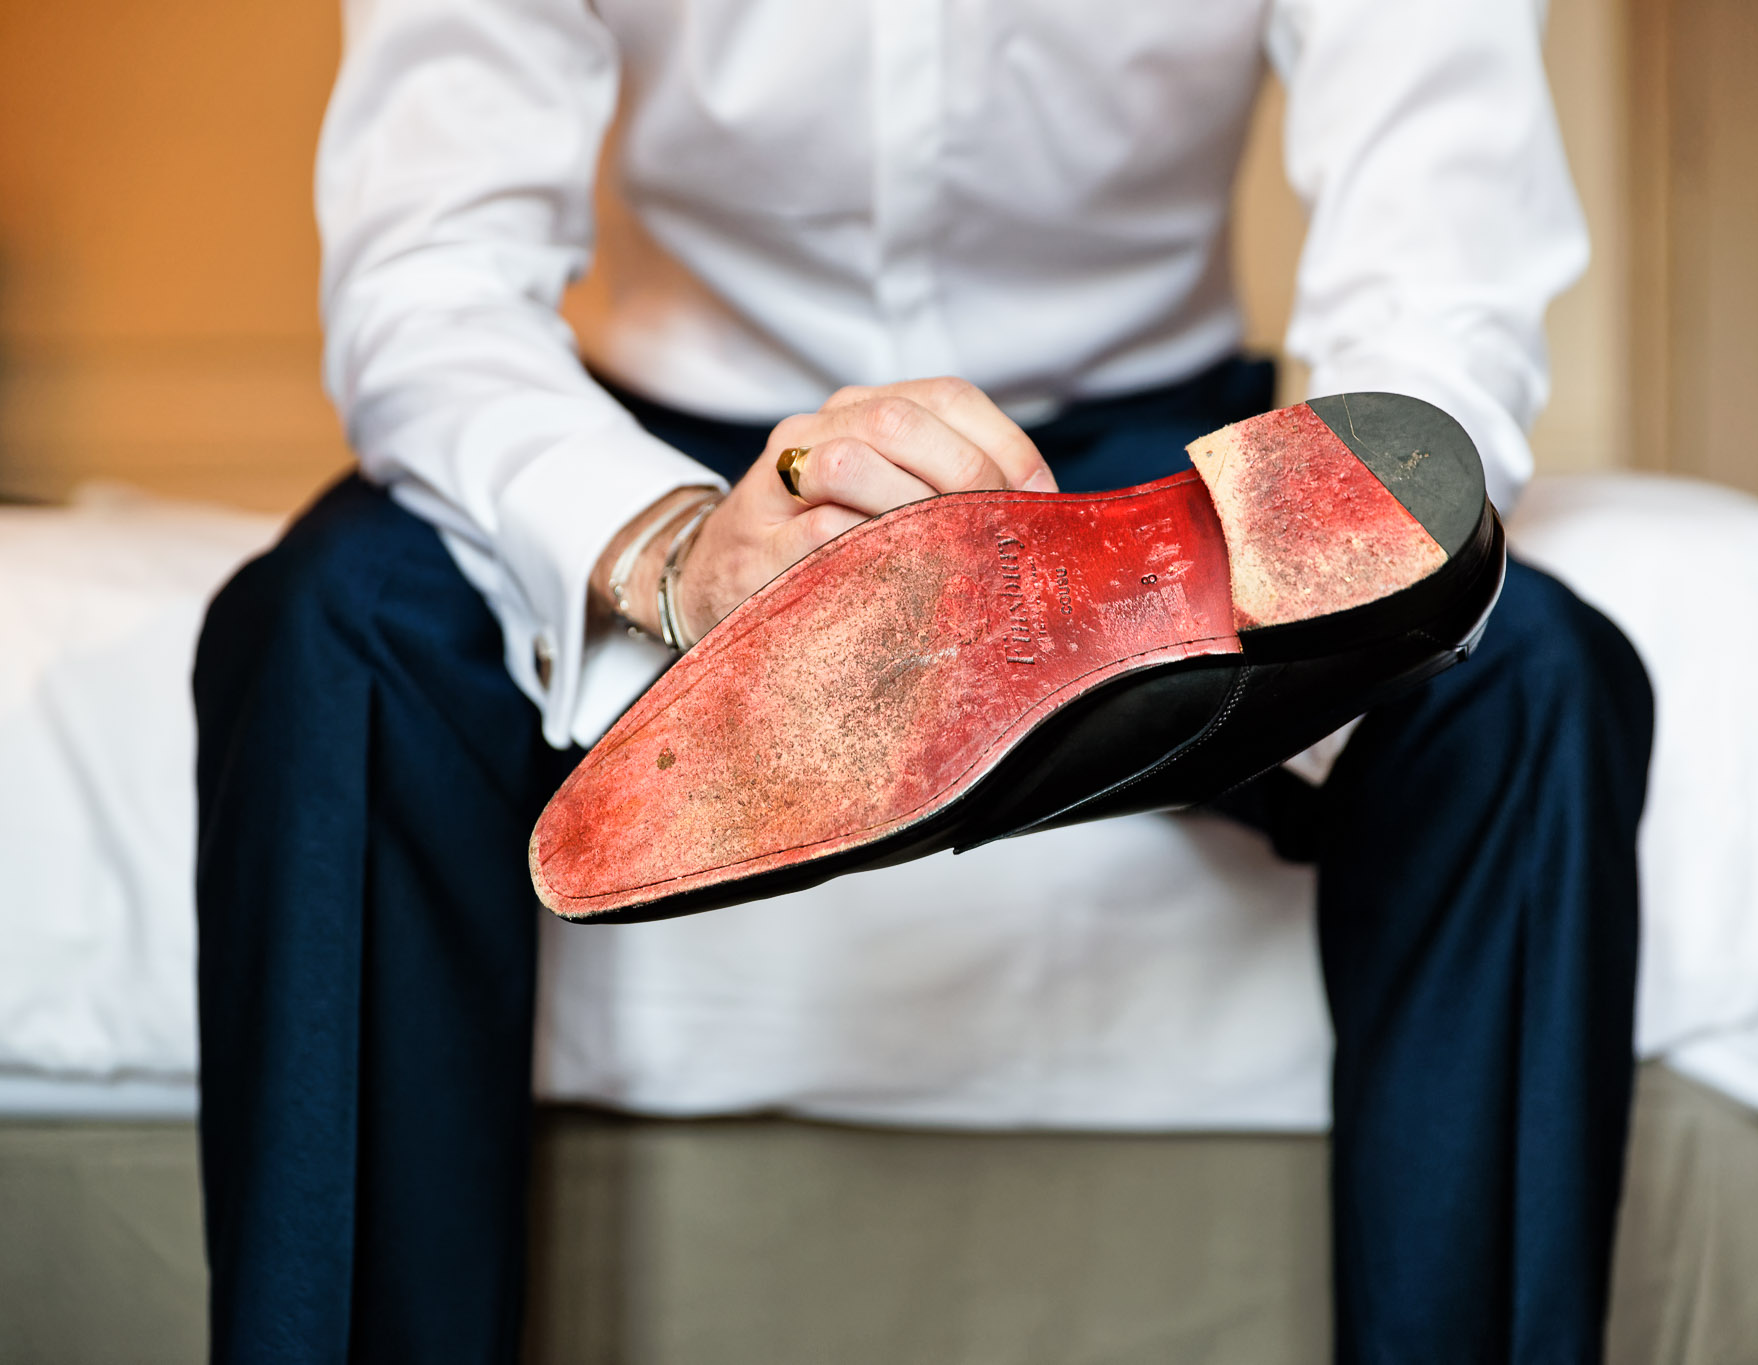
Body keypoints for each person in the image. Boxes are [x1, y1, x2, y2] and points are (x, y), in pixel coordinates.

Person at [193, 0, 1654, 1360]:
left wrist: (1336, 534)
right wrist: (675, 547)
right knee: (333, 634)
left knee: (1523, 681)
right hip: (692, 455)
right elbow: (429, 266)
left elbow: (1443, 244)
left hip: (1135, 454)